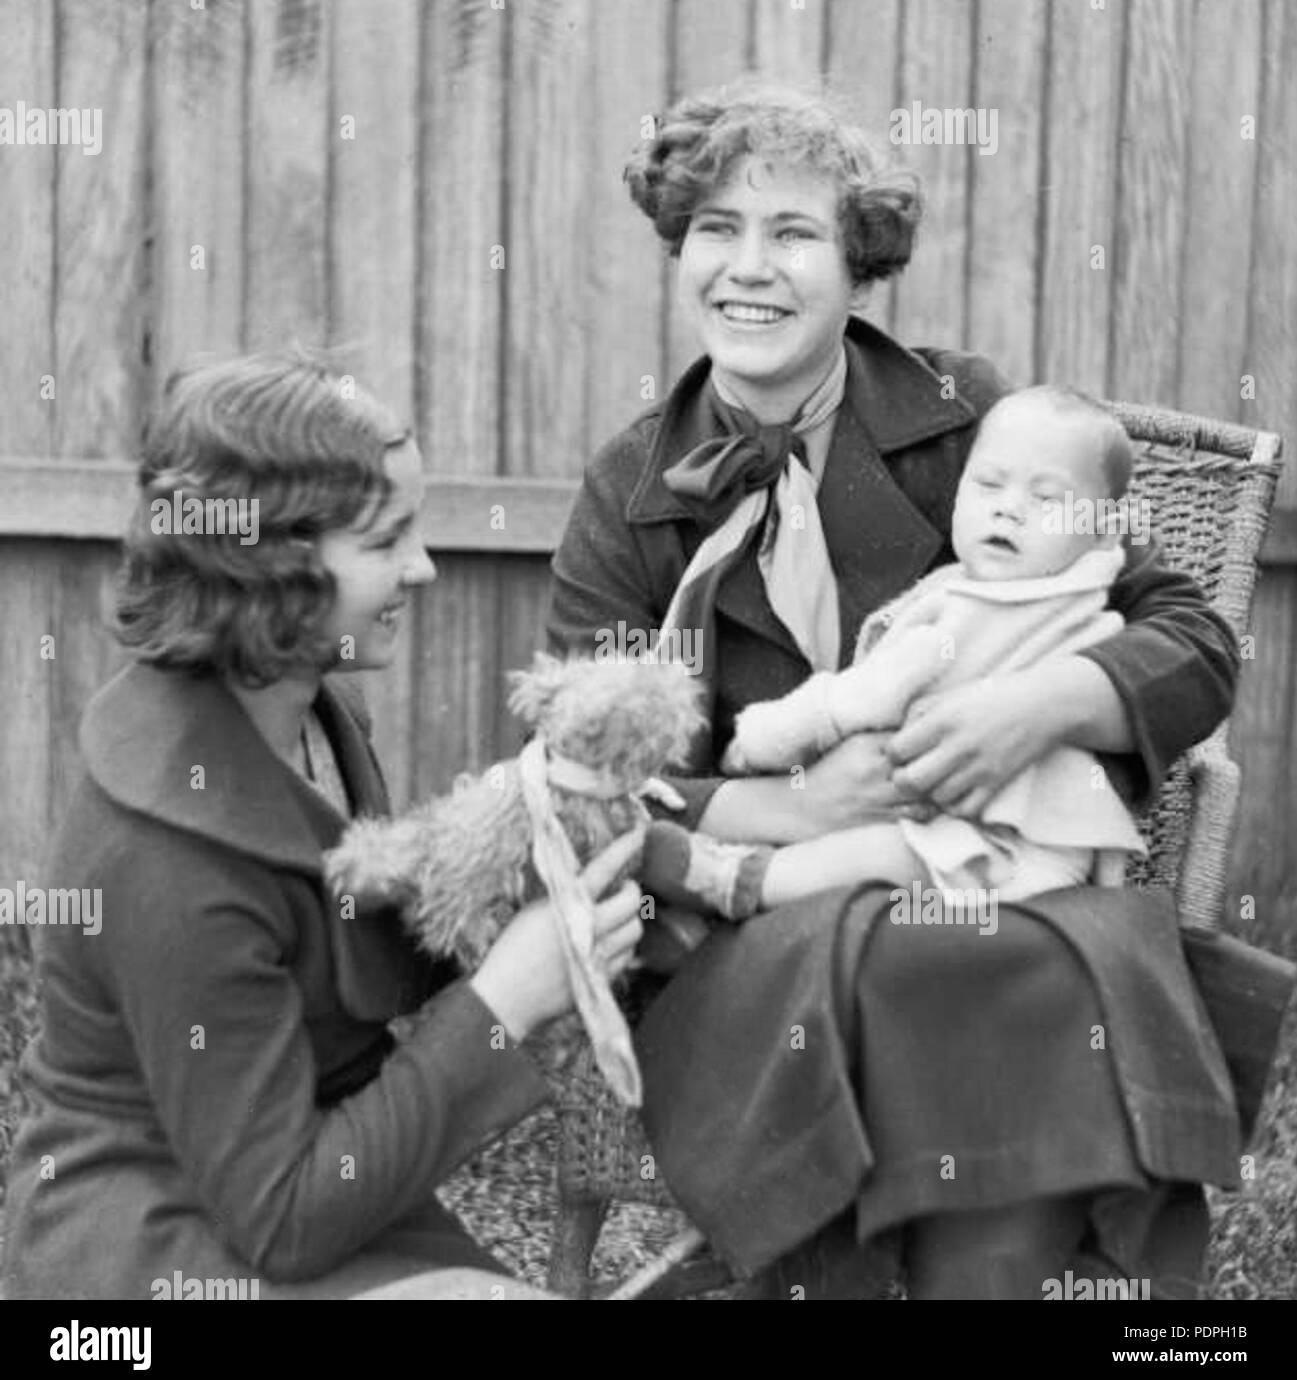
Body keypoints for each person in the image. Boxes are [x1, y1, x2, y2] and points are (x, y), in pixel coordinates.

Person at [546, 83, 1288, 1299]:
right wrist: (793, 809)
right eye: (716, 230)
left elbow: (1190, 636)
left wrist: (1035, 711)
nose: (749, 268)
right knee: (924, 957)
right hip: (752, 914)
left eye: (791, 233)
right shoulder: (629, 489)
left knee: (986, 950)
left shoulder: (966, 426)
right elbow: (579, 782)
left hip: (996, 861)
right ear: (680, 250)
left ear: (857, 262)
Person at [0, 353, 643, 1300]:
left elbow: (352, 946)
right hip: (154, 1254)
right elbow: (285, 1218)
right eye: (385, 541)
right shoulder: (168, 855)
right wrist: (508, 994)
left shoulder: (313, 717)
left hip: (304, 1188)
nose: (423, 568)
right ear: (266, 565)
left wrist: (517, 851)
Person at [735, 384, 1147, 910]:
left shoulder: (968, 620)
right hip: (1037, 856)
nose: (1008, 511)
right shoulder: (1070, 601)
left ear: (1103, 534)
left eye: (1045, 499)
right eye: (988, 485)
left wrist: (762, 739)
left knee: (874, 856)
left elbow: (861, 700)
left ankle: (738, 881)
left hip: (987, 854)